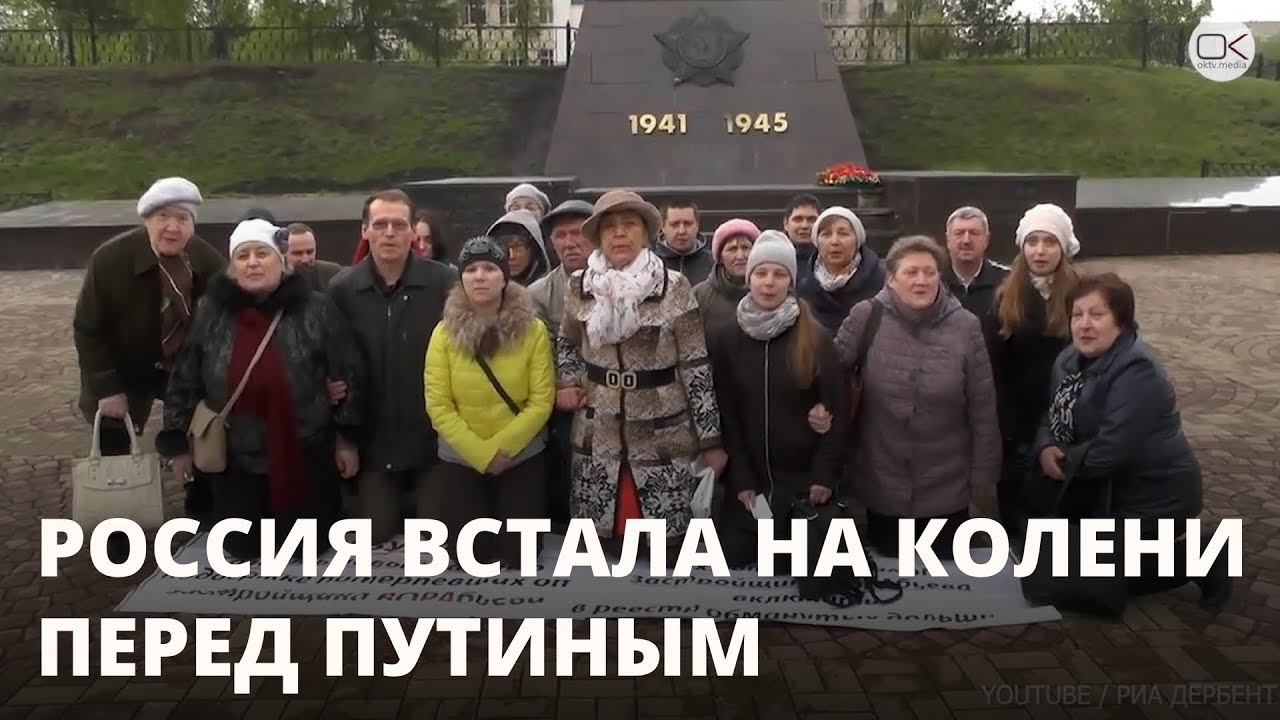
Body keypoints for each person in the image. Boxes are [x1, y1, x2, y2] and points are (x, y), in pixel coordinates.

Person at [156, 219, 364, 561]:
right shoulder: (212, 311)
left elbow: (349, 373)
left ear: (281, 261)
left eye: (262, 253)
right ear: (232, 267)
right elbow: (185, 378)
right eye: (243, 256)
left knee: (305, 549)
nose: (252, 262)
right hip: (237, 460)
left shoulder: (315, 308)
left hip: (305, 454)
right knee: (241, 547)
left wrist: (347, 440)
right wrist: (177, 445)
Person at [1028, 272, 1231, 611]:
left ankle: (1203, 555)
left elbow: (1111, 451)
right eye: (1077, 315)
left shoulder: (1138, 370)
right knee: (1052, 575)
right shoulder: (1068, 360)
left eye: (1097, 314)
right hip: (1100, 490)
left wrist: (1061, 463)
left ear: (1121, 322)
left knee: (1091, 585)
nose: (1084, 324)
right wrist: (1046, 446)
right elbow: (1052, 416)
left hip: (1153, 496)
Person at [554, 190, 726, 552]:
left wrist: (710, 440)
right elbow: (567, 342)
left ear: (646, 233)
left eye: (630, 224)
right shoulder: (580, 286)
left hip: (662, 426)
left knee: (666, 549)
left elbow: (696, 365)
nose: (620, 233)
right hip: (598, 423)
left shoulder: (673, 287)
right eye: (610, 227)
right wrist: (568, 381)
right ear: (598, 236)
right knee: (602, 552)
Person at [72, 177, 226, 536]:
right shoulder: (110, 259)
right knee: (114, 437)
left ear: (193, 224)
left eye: (182, 218)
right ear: (147, 220)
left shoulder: (204, 258)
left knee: (203, 428)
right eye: (163, 217)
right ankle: (118, 526)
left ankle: (202, 508)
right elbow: (88, 328)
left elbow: (228, 311)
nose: (172, 227)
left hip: (182, 364)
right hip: (124, 365)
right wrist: (107, 388)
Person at [834, 235, 1000, 559]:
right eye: (911, 272)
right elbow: (832, 376)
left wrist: (983, 476)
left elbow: (983, 407)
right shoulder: (866, 317)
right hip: (882, 482)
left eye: (929, 272)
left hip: (948, 486)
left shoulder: (966, 326)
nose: (921, 281)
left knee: (944, 572)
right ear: (891, 278)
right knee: (891, 568)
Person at [708, 232, 847, 566]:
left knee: (796, 568)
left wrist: (823, 474)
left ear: (791, 282)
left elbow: (837, 411)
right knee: (733, 560)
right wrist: (741, 479)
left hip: (801, 483)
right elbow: (728, 414)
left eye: (779, 274)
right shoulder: (727, 336)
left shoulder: (815, 337)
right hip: (751, 484)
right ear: (749, 278)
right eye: (761, 273)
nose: (769, 283)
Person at [328, 189, 458, 544]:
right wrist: (344, 439)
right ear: (364, 230)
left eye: (399, 225)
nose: (389, 233)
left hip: (433, 441)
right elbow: (332, 362)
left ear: (413, 231)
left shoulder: (444, 283)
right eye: (380, 224)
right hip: (372, 445)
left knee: (438, 543)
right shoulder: (342, 289)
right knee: (374, 540)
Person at [424, 237, 555, 566]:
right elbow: (439, 405)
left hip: (520, 452)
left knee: (521, 554)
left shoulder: (534, 331)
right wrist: (482, 455)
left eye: (489, 269)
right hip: (462, 454)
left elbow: (541, 400)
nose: (479, 276)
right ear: (461, 278)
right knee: (470, 555)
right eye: (471, 270)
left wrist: (503, 449)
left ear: (504, 278)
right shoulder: (442, 334)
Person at [988, 203, 1082, 538]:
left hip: (1070, 417)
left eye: (1049, 242)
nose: (1039, 251)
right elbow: (996, 368)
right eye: (1032, 241)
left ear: (1063, 248)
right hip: (1018, 420)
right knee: (1018, 511)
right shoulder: (1006, 296)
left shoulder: (1081, 293)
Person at [527, 198, 595, 528]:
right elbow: (540, 353)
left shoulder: (624, 280)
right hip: (567, 398)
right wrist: (562, 386)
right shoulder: (538, 294)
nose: (569, 243)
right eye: (560, 236)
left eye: (577, 233)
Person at [799, 206, 886, 333]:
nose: (834, 241)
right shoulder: (805, 288)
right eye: (826, 234)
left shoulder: (881, 282)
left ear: (857, 240)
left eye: (843, 234)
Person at [693, 219, 760, 333]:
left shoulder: (768, 291)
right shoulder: (700, 296)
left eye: (745, 247)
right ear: (720, 257)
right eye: (732, 249)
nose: (740, 256)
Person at [942, 206, 1009, 320]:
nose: (966, 240)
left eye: (974, 233)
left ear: (987, 239)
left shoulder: (1007, 281)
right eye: (959, 233)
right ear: (948, 240)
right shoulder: (934, 280)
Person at [653, 200, 712, 285]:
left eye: (687, 224)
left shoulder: (713, 264)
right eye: (674, 224)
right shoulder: (650, 263)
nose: (682, 231)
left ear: (697, 226)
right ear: (663, 227)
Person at [487, 209, 552, 286]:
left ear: (535, 248)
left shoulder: (553, 288)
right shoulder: (481, 289)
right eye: (503, 248)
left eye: (518, 246)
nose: (511, 256)